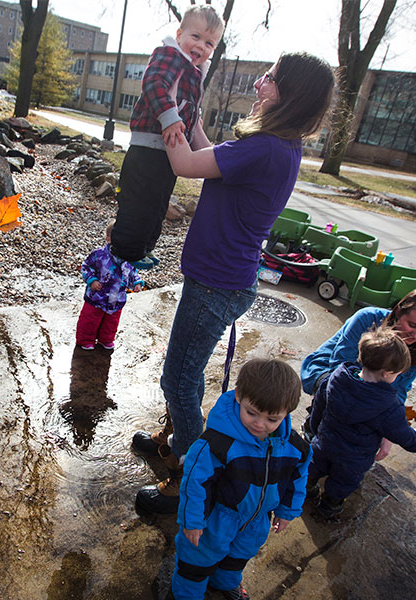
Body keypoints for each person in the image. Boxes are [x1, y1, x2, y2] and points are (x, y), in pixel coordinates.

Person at [132, 52, 335, 517]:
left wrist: (168, 118)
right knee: (180, 375)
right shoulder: (277, 144)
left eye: (271, 77)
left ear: (291, 93)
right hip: (221, 278)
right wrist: (192, 113)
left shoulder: (265, 147)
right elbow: (207, 154)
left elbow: (184, 162)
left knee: (178, 381)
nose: (260, 81)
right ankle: (174, 441)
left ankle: (187, 474)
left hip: (216, 283)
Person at [162, 359, 310, 600]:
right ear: (239, 396)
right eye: (252, 413)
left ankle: (225, 582)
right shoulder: (217, 443)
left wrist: (287, 510)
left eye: (272, 419)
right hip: (215, 519)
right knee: (196, 562)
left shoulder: (294, 447)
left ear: (287, 412)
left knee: (239, 556)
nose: (260, 424)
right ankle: (186, 595)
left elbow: (297, 476)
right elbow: (194, 483)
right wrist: (192, 520)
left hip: (256, 519)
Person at [111, 4, 224, 270]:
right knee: (139, 200)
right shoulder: (170, 55)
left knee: (158, 203)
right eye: (195, 37)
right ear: (180, 33)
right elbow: (154, 84)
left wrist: (202, 150)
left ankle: (142, 247)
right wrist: (170, 118)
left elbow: (192, 114)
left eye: (209, 43)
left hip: (168, 152)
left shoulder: (195, 72)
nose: (201, 46)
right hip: (148, 147)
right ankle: (124, 250)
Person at [300, 289, 416, 455]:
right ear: (398, 311)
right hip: (329, 372)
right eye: (412, 325)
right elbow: (339, 364)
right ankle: (314, 425)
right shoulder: (367, 318)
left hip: (369, 391)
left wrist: (391, 433)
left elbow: (400, 389)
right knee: (336, 402)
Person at [306, 328, 416, 520]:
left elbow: (319, 406)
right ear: (388, 373)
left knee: (313, 466)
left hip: (324, 442)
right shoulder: (389, 405)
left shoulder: (336, 378)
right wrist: (415, 441)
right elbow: (399, 432)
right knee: (342, 483)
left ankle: (306, 490)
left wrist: (315, 430)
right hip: (354, 458)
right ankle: (330, 506)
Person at [76, 220, 144, 350]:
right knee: (90, 320)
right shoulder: (99, 255)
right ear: (109, 239)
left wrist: (136, 283)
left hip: (116, 298)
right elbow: (86, 267)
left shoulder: (128, 258)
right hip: (96, 296)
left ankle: (105, 339)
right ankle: (85, 340)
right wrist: (92, 280)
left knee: (111, 322)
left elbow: (132, 272)